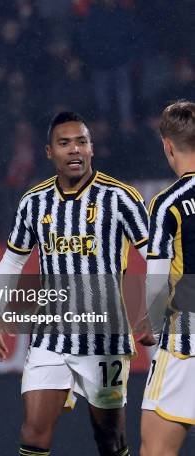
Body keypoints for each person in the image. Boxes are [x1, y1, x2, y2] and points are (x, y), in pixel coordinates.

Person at [0, 112, 149, 456]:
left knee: (110, 439)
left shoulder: (121, 197)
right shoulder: (34, 202)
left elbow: (158, 256)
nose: (75, 149)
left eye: (82, 142)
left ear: (92, 148)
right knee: (33, 432)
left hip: (104, 339)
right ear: (49, 152)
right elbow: (14, 259)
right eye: (65, 143)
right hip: (50, 335)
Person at [140, 100, 195, 456]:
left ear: (167, 145)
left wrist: (154, 324)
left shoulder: (168, 203)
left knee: (156, 448)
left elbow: (157, 277)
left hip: (186, 336)